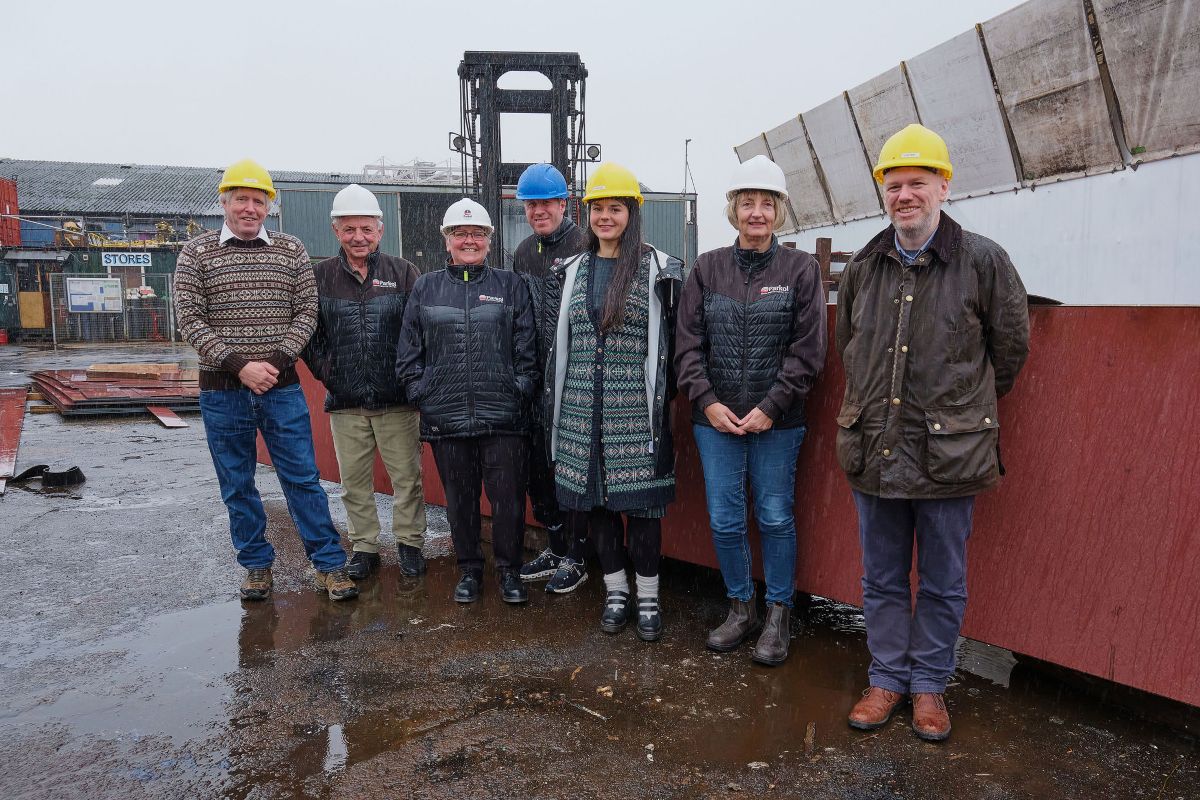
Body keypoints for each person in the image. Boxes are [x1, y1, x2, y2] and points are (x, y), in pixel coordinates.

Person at [837, 125, 1029, 741]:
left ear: (944, 187)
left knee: (943, 581)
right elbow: (850, 349)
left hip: (949, 457)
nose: (905, 196)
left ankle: (929, 688)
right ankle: (887, 679)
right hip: (877, 450)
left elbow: (1010, 350)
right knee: (882, 577)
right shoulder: (865, 266)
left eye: (918, 183)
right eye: (894, 186)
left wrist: (961, 413)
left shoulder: (983, 261)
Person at [174, 159, 357, 602]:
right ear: (224, 203)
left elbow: (306, 313)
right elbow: (190, 319)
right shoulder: (196, 253)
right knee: (237, 483)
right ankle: (256, 566)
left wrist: (272, 363)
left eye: (258, 200)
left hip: (282, 388)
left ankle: (329, 565)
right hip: (223, 393)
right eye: (242, 199)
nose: (250, 208)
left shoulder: (290, 250)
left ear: (269, 205)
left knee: (302, 479)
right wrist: (240, 366)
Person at [675, 155, 827, 665]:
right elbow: (687, 345)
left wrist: (770, 406)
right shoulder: (707, 268)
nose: (756, 212)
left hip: (777, 424)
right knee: (724, 519)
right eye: (747, 202)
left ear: (779, 211)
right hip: (714, 423)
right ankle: (741, 607)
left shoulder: (801, 270)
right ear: (733, 209)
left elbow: (808, 351)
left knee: (775, 515)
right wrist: (708, 402)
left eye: (766, 203)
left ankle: (779, 614)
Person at [544, 162, 683, 641]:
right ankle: (616, 589)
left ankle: (648, 595)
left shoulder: (659, 269)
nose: (606, 217)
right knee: (597, 509)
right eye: (598, 208)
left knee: (642, 511)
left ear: (632, 213)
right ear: (587, 214)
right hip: (582, 410)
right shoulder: (572, 270)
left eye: (615, 208)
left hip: (635, 413)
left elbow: (675, 345)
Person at [396, 198, 537, 604]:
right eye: (461, 234)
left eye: (477, 234)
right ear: (448, 241)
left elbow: (526, 346)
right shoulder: (426, 287)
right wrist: (421, 392)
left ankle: (509, 571)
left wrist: (520, 388)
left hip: (503, 416)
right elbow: (409, 351)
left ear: (490, 241)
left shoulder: (510, 285)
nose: (469, 240)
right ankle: (470, 570)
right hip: (447, 416)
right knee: (460, 501)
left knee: (508, 500)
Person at [302, 184, 426, 580]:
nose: (359, 237)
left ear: (380, 231)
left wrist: (409, 378)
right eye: (350, 229)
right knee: (354, 482)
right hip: (346, 401)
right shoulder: (319, 276)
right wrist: (330, 372)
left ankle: (410, 544)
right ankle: (365, 547)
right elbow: (309, 334)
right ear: (336, 231)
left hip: (397, 400)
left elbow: (418, 331)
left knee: (407, 479)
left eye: (367, 229)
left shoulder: (403, 272)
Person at [511, 163, 591, 594]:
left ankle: (578, 555)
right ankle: (556, 545)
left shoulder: (585, 244)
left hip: (574, 378)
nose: (539, 211)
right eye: (531, 204)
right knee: (539, 469)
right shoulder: (523, 252)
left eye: (546, 203)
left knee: (572, 469)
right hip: (534, 379)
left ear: (564, 203)